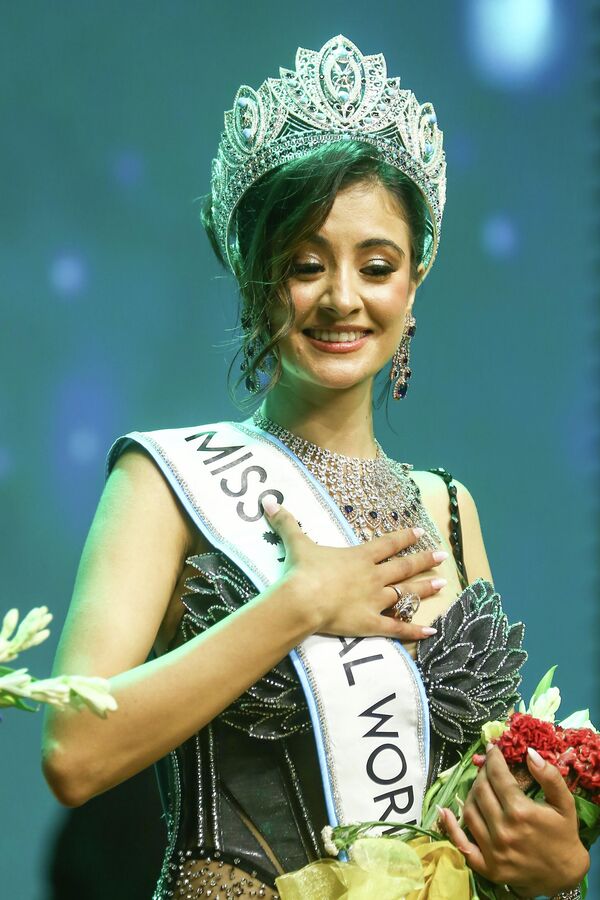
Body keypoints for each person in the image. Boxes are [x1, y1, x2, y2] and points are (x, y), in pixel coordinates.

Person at [41, 35, 589, 900]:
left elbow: (485, 815)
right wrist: (295, 606)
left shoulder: (449, 511)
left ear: (413, 284)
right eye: (305, 264)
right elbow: (73, 752)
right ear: (258, 277)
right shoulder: (165, 482)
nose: (342, 297)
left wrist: (555, 870)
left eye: (376, 266)